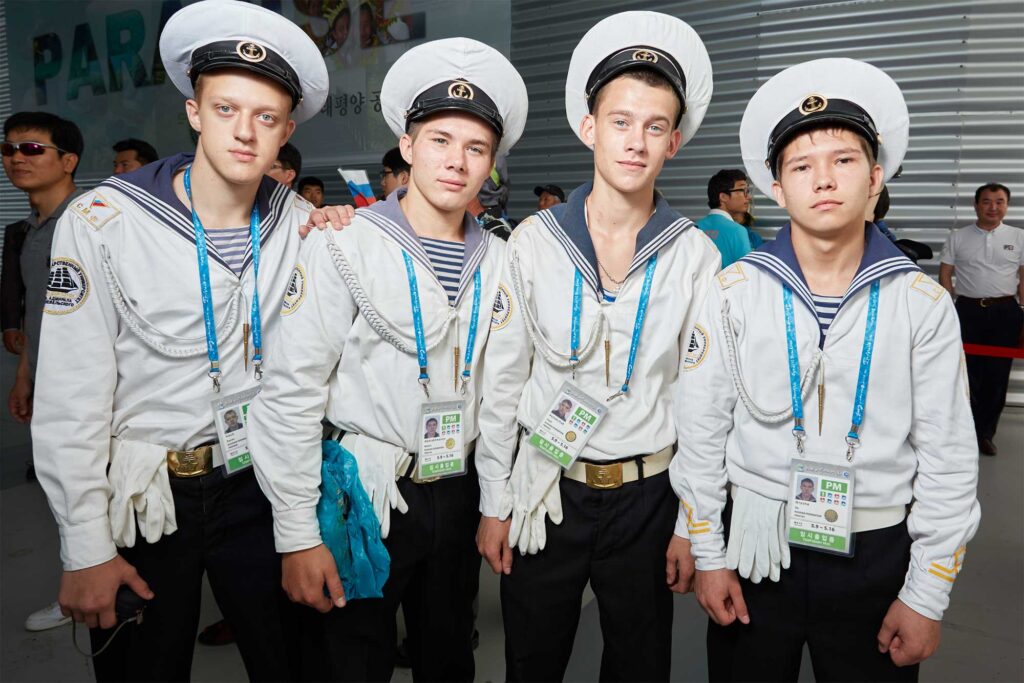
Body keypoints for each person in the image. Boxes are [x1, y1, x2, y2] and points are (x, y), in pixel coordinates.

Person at [30, 2, 333, 679]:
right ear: (194, 110)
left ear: (286, 129)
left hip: (263, 475)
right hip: (149, 492)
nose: (245, 133)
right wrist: (83, 545)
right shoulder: (106, 220)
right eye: (226, 109)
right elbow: (71, 394)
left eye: (265, 117)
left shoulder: (302, 222)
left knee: (296, 660)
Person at [671, 57, 980, 682]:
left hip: (874, 554)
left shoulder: (921, 304)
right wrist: (708, 553)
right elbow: (701, 433)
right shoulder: (734, 291)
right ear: (777, 189)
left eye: (842, 161)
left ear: (875, 177)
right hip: (757, 546)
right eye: (801, 167)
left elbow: (948, 457)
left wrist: (926, 593)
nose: (824, 180)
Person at [247, 36, 528, 683]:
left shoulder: (503, 258)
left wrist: (495, 501)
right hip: (368, 488)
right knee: (353, 658)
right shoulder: (345, 244)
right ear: (406, 146)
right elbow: (290, 393)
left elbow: (500, 389)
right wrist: (296, 531)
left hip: (455, 491)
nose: (457, 161)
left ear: (491, 163)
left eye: (476, 148)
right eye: (439, 140)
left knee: (449, 655)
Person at [475, 12, 718, 681]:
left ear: (674, 141)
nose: (635, 141)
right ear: (590, 128)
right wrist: (496, 499)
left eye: (654, 126)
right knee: (531, 656)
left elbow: (701, 402)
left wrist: (691, 522)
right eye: (620, 121)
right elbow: (500, 384)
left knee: (639, 663)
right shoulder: (533, 241)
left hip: (648, 496)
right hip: (547, 481)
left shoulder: (692, 254)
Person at [1, 110, 84, 633]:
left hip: (92, 387)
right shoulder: (31, 230)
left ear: (68, 160)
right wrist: (25, 375)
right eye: (9, 149)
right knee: (61, 489)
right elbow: (40, 310)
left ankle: (88, 586)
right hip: (52, 382)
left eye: (32, 149)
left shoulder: (91, 219)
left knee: (89, 489)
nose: (15, 158)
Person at [939, 182, 1023, 456]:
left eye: (999, 201)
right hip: (968, 311)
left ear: (1006, 206)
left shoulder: (1018, 236)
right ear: (976, 205)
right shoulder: (958, 236)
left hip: (1005, 312)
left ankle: (986, 434)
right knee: (967, 375)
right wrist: (948, 307)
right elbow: (945, 273)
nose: (993, 207)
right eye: (987, 201)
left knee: (998, 377)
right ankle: (966, 434)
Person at [696, 170, 754, 268]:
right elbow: (748, 273)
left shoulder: (695, 228)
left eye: (747, 191)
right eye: (742, 191)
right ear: (723, 197)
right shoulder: (737, 231)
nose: (748, 197)